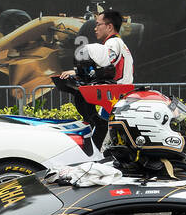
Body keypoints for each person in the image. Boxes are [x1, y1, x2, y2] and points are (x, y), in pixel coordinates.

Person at [55, 8, 135, 147]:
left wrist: (80, 69)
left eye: (98, 24)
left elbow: (105, 60)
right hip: (117, 100)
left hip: (114, 100)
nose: (95, 28)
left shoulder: (113, 43)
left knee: (100, 146)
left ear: (109, 26)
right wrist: (78, 72)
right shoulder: (118, 43)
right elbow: (105, 69)